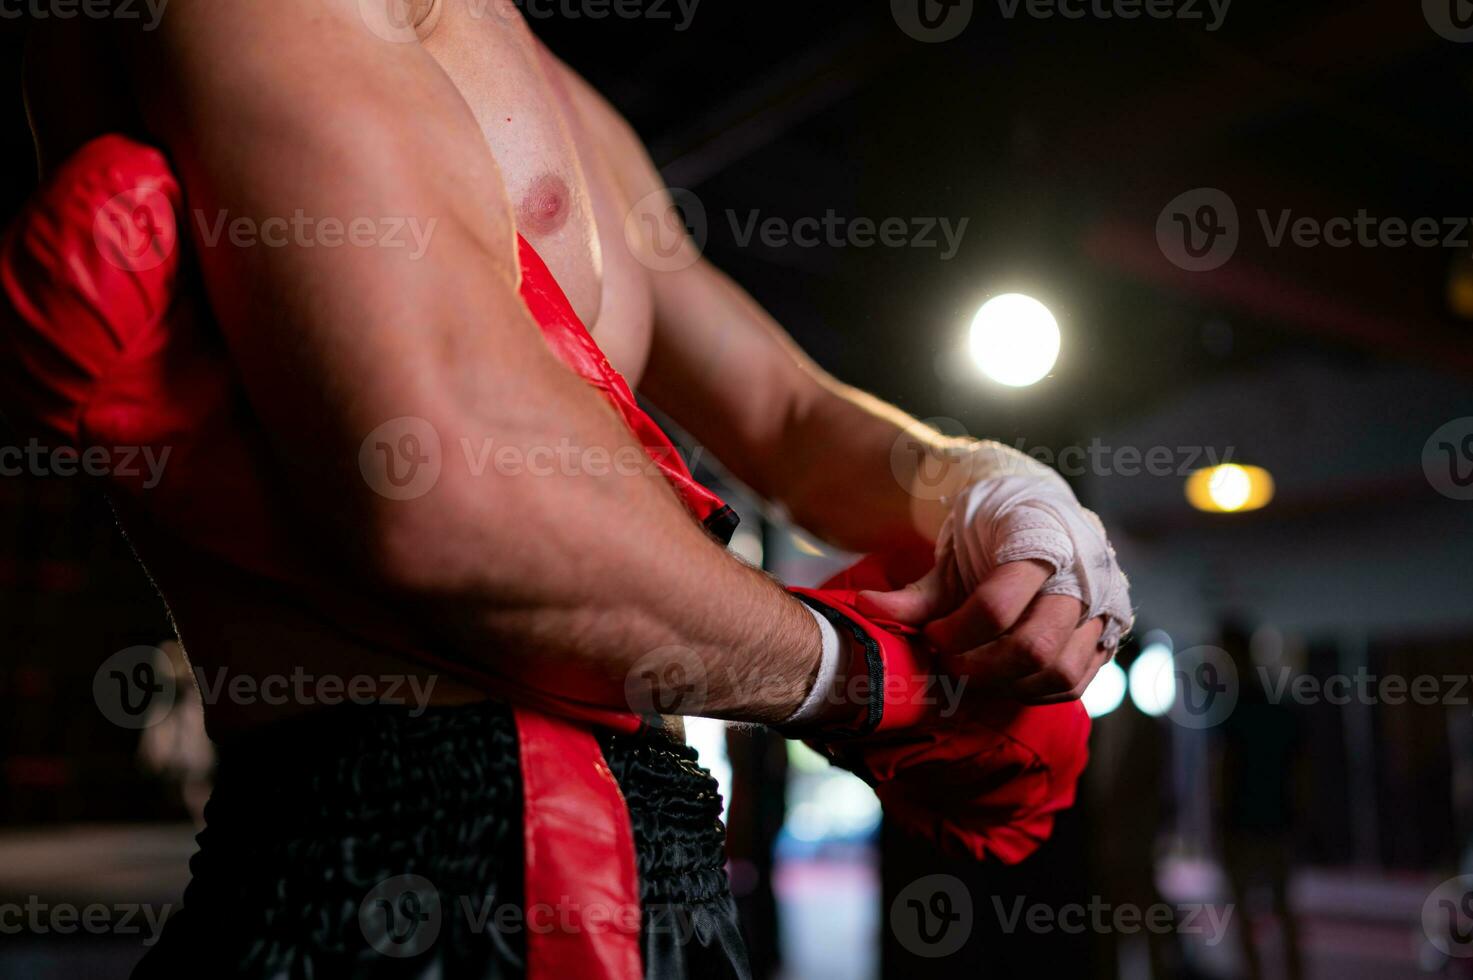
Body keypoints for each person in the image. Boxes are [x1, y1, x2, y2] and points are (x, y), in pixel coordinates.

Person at [3, 2, 1133, 976]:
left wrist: (987, 488)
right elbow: (452, 494)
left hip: (665, 866)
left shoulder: (551, 85)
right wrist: (888, 683)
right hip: (403, 861)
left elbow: (786, 414)